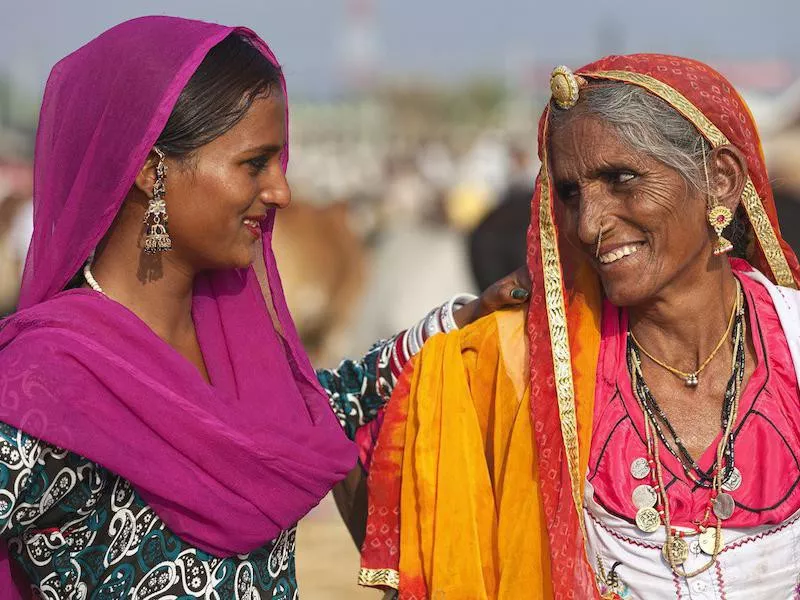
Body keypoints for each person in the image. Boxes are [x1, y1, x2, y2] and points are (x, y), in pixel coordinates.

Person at [0, 16, 529, 599]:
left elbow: (316, 410)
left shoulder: (225, 329)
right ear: (153, 172)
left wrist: (460, 320)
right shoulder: (42, 384)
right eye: (255, 164)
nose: (282, 192)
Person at [359, 54, 800, 599]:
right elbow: (344, 415)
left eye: (621, 179)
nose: (588, 224)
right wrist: (459, 318)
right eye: (569, 193)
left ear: (722, 179)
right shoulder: (526, 361)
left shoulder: (793, 340)